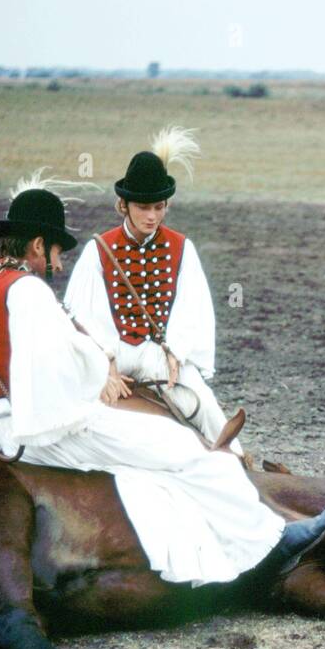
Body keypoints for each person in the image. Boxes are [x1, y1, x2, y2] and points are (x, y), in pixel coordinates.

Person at [0, 173, 325, 591]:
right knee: (189, 450)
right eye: (57, 252)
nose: (59, 263)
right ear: (35, 245)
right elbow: (61, 361)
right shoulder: (28, 291)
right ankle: (272, 544)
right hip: (33, 432)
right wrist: (99, 370)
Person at [64, 127, 244, 453]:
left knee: (202, 402)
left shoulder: (181, 247)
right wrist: (105, 362)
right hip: (113, 349)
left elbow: (191, 306)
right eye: (143, 207)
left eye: (159, 207)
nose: (152, 216)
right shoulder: (99, 249)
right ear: (124, 205)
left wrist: (175, 352)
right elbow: (84, 313)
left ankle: (240, 463)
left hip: (155, 353)